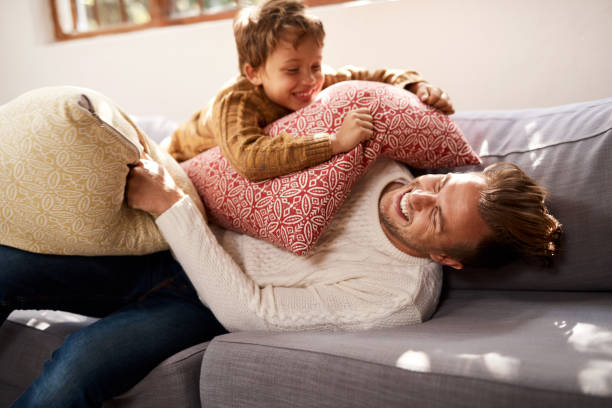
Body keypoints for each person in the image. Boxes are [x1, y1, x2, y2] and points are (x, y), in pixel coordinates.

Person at [1, 155, 561, 406]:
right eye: (439, 182)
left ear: (451, 260)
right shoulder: (382, 162)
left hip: (199, 302)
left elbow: (250, 313)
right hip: (154, 242)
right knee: (9, 266)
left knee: (80, 364)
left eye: (436, 217)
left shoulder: (395, 297)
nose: (417, 194)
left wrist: (171, 208)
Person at [167, 0, 455, 181]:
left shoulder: (316, 78)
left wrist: (417, 86)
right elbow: (249, 159)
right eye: (292, 70)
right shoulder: (237, 101)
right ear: (253, 73)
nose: (310, 81)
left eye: (315, 65)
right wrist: (333, 143)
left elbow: (375, 75)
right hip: (178, 151)